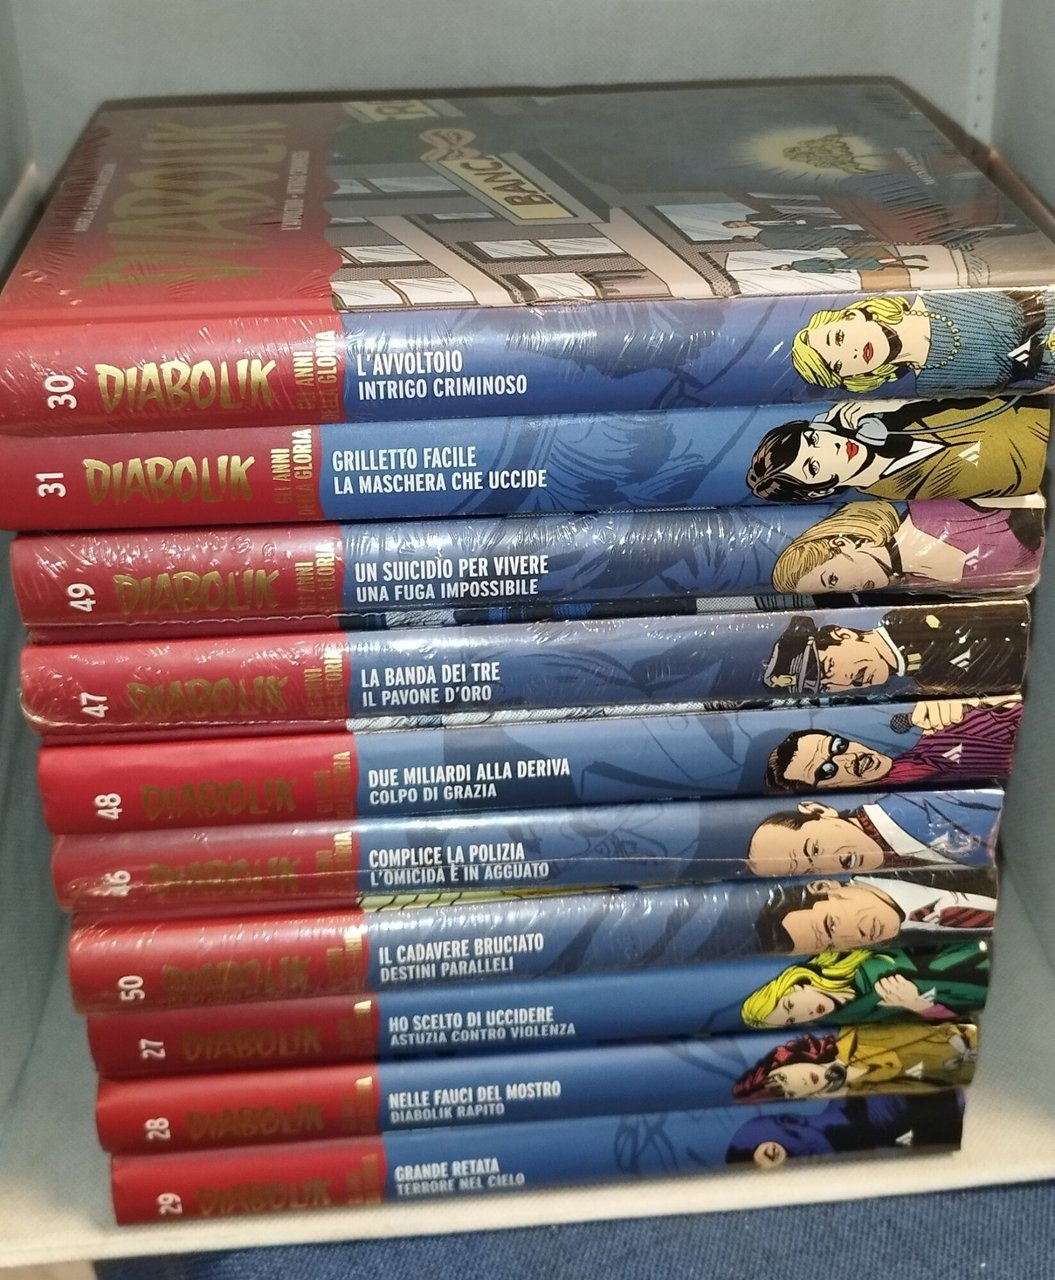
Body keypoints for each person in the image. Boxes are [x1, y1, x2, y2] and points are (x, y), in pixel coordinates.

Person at [745, 396, 1049, 502]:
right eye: (813, 467)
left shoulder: (893, 417)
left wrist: (897, 406)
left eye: (814, 439)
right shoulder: (906, 493)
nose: (830, 448)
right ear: (819, 491)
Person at [791, 290, 1055, 395]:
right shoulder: (928, 385)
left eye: (839, 338)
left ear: (853, 315)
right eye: (838, 366)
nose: (851, 353)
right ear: (851, 377)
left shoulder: (936, 293)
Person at [769, 498, 1041, 595]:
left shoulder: (933, 515)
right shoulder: (915, 583)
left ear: (842, 543)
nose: (846, 588)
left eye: (831, 579)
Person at [764, 698, 1022, 793]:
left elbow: (1014, 715)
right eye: (827, 771)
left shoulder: (939, 731)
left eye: (838, 746)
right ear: (823, 791)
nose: (848, 759)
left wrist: (975, 704)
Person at [762, 604, 1028, 696]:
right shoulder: (925, 683)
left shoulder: (913, 620)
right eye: (827, 685)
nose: (843, 682)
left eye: (829, 667)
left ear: (842, 634)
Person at [745, 791, 1001, 876]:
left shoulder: (919, 804)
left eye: (814, 849)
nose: (828, 864)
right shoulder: (882, 887)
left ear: (819, 810)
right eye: (810, 871)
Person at [739, 943, 990, 1031]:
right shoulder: (847, 1019)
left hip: (968, 955)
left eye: (790, 1005)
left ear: (797, 985)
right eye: (791, 1020)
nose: (803, 1013)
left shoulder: (844, 958)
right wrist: (917, 1005)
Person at [751, 868, 998, 954]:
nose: (852, 938)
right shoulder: (913, 952)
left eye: (831, 925)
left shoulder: (908, 859)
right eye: (831, 945)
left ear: (824, 886)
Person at [731, 1022, 977, 1101]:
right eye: (789, 1093)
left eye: (783, 1077)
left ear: (788, 1061)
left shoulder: (856, 1035)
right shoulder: (863, 1097)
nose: (798, 1083)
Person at [725, 1092, 964, 1169]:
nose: (796, 1161)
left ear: (791, 1120)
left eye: (776, 1152)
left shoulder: (868, 1101)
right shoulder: (868, 1166)